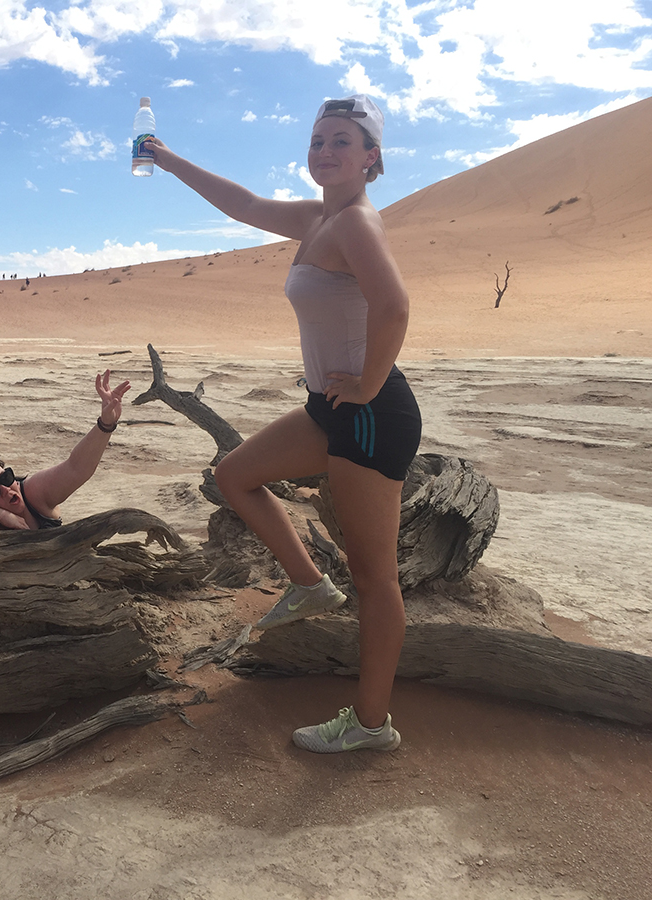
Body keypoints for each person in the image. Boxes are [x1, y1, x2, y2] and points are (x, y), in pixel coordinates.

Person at [147, 94, 421, 754]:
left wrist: (367, 384)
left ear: (371, 156)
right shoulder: (317, 216)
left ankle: (371, 726)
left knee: (374, 578)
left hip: (368, 415)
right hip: (331, 408)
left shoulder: (356, 223)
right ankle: (309, 585)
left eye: (341, 141)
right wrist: (167, 158)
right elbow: (243, 204)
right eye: (318, 140)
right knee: (235, 475)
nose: (324, 150)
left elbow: (395, 306)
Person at [0, 370, 131, 534]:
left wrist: (105, 424)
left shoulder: (34, 493)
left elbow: (76, 468)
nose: (6, 490)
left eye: (6, 478)